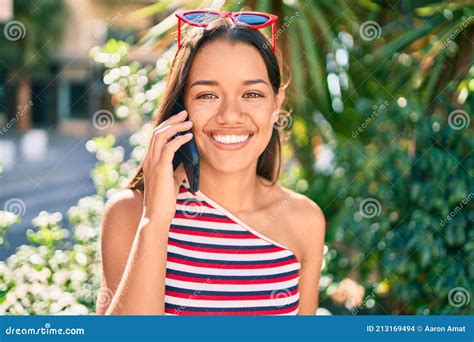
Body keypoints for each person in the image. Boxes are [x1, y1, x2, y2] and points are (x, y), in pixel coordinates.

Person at [97, 12, 326, 316]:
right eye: (207, 94)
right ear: (182, 106)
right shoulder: (129, 213)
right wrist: (155, 220)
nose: (231, 115)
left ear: (277, 102)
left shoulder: (305, 220)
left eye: (252, 93)